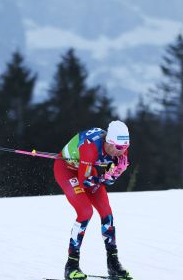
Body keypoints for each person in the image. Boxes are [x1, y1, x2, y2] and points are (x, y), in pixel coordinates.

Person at [53, 120, 133, 280]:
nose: (121, 152)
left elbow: (106, 181)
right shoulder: (90, 147)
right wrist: (106, 175)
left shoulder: (121, 147)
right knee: (85, 212)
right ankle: (71, 266)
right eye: (118, 148)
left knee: (107, 214)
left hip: (89, 171)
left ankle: (113, 264)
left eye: (125, 147)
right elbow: (85, 182)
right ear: (109, 142)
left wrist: (114, 175)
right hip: (68, 171)